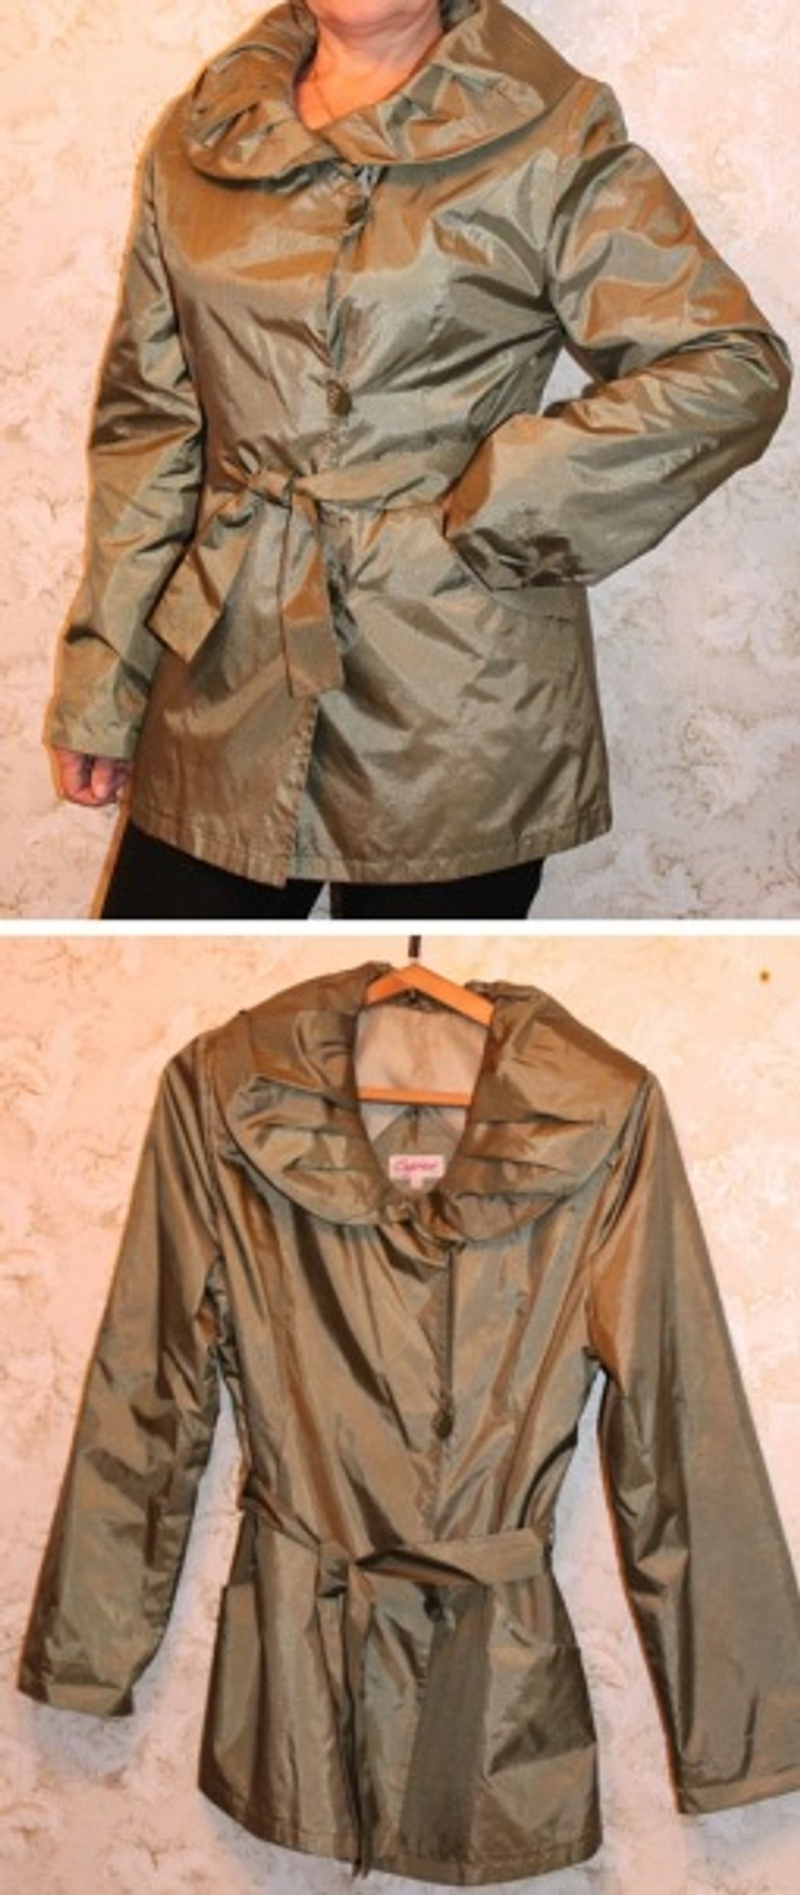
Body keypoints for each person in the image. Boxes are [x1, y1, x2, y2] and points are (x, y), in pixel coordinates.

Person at [51, 0, 790, 919]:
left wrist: (500, 508)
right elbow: (152, 427)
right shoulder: (205, 134)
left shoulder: (548, 128)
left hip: (454, 692)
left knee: (430, 968)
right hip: (226, 674)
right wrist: (105, 680)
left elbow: (728, 367)